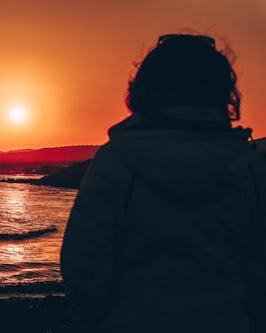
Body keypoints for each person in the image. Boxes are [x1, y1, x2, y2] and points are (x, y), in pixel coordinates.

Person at [60, 34, 266, 333]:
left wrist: (99, 319)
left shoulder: (116, 161)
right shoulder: (249, 166)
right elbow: (260, 267)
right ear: (224, 92)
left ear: (144, 89)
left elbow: (83, 263)